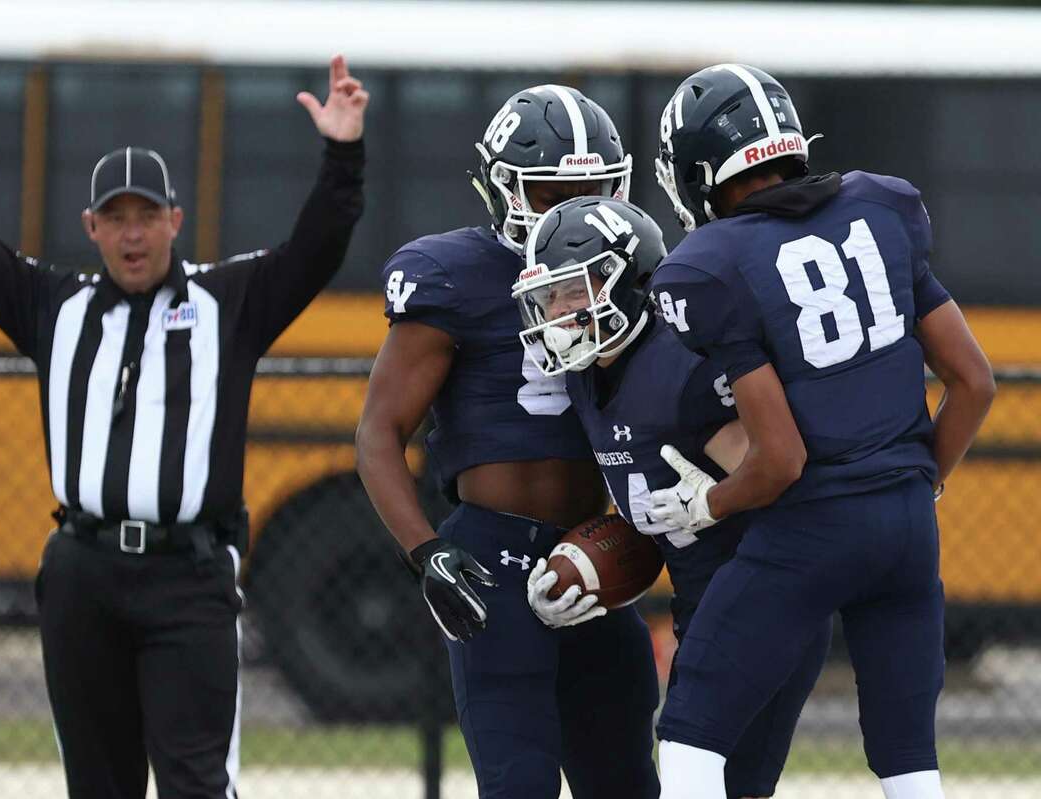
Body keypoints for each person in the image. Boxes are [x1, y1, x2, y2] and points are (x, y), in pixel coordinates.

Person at [0, 37, 367, 799]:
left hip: (188, 577)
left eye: (147, 216)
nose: (134, 234)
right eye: (116, 219)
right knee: (98, 785)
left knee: (193, 782)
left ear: (176, 220)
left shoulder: (227, 303)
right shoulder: (56, 307)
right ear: (91, 227)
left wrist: (342, 159)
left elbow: (316, 250)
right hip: (83, 573)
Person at [642, 64, 996, 799]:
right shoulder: (882, 206)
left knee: (689, 732)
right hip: (905, 524)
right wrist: (921, 475)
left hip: (812, 527)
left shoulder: (711, 263)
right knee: (909, 762)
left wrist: (707, 504)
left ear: (701, 171)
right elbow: (974, 380)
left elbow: (781, 458)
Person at [355, 85, 659, 799]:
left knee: (623, 777)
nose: (572, 211)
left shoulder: (632, 268)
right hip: (493, 548)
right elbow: (378, 432)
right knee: (518, 780)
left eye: (592, 191)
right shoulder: (453, 275)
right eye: (553, 191)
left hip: (594, 546)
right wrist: (427, 550)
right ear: (503, 187)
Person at [511, 195, 831, 799]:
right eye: (549, 297)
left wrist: (717, 499)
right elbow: (648, 498)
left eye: (572, 292)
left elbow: (788, 488)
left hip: (762, 608)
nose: (557, 312)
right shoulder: (590, 374)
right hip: (704, 609)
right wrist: (587, 567)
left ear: (628, 283)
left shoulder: (681, 367)